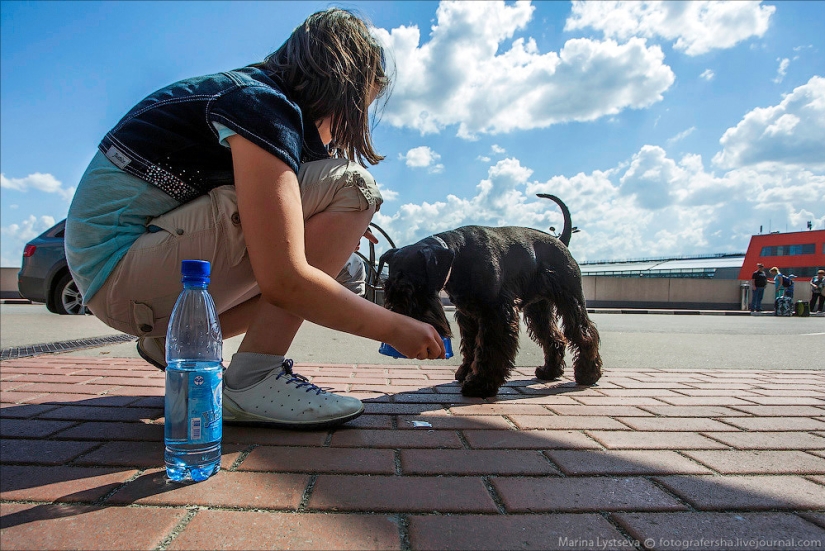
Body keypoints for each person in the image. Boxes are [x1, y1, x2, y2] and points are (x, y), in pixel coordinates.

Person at [64, 8, 446, 430]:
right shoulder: (259, 103)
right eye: (353, 110)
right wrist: (396, 328)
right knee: (353, 185)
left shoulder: (254, 100)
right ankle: (253, 380)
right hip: (122, 270)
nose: (342, 131)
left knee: (346, 269)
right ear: (337, 88)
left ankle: (174, 343)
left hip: (123, 277)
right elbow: (283, 279)